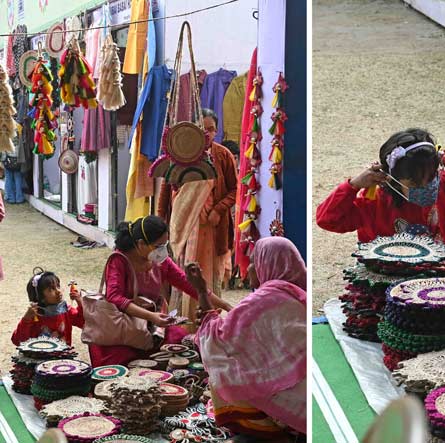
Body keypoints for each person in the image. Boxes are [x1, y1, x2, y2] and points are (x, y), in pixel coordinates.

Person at [190, 237, 306, 441]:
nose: (249, 267)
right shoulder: (296, 294)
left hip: (293, 412)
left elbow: (219, 341)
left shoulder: (266, 298)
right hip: (304, 404)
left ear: (267, 263)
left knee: (223, 368)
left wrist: (201, 291)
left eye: (253, 261)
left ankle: (269, 428)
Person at [89, 215, 232, 366]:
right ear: (141, 244)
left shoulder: (161, 262)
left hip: (152, 326)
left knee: (183, 343)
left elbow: (191, 286)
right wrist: (151, 316)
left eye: (165, 245)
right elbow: (114, 297)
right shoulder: (119, 260)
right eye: (159, 246)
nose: (163, 251)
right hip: (122, 329)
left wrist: (227, 306)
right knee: (124, 366)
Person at [316, 128, 445, 253]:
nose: (426, 187)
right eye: (414, 184)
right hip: (386, 285)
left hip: (438, 282)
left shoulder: (442, 186)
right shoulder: (373, 203)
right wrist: (353, 186)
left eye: (431, 177)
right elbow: (327, 220)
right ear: (392, 179)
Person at [157, 108, 238, 320]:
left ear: (217, 131)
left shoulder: (223, 155)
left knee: (208, 275)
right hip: (183, 227)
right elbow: (165, 192)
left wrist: (218, 209)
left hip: (212, 227)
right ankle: (184, 321)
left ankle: (209, 323)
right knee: (183, 272)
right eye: (203, 129)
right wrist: (159, 223)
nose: (208, 134)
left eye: (212, 130)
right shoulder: (180, 153)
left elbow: (235, 190)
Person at [11, 269, 84, 345]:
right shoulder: (34, 316)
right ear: (40, 297)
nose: (58, 291)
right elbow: (17, 341)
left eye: (58, 286)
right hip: (38, 356)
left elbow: (83, 323)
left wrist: (80, 302)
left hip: (63, 356)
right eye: (51, 289)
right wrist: (26, 319)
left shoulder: (66, 310)